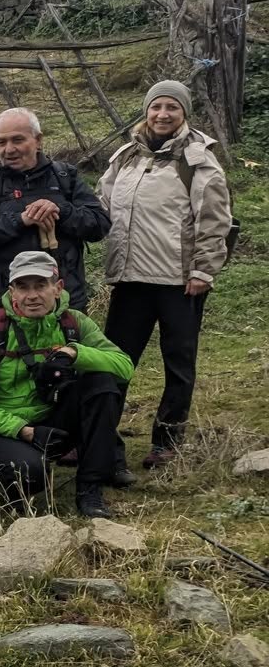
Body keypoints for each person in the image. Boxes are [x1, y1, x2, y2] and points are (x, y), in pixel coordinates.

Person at [98, 79, 232, 470]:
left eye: (172, 107)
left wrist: (203, 271)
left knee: (178, 361)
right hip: (131, 278)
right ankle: (98, 434)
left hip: (180, 281)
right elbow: (101, 205)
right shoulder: (125, 157)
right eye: (156, 107)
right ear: (146, 111)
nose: (162, 114)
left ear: (184, 113)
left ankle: (167, 440)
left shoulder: (197, 159)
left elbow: (215, 221)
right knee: (114, 360)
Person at [0, 250, 134, 520]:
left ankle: (90, 489)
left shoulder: (75, 322)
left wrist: (75, 353)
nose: (32, 295)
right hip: (7, 428)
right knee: (30, 475)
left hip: (57, 420)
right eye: (23, 287)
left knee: (102, 384)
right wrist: (22, 430)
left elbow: (124, 366)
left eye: (41, 285)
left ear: (57, 287)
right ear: (12, 291)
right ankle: (5, 472)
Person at [0, 107, 110, 313]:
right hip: (7, 304)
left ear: (38, 140)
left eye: (18, 140)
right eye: (1, 142)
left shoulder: (65, 177)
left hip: (65, 301)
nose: (9, 149)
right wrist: (20, 220)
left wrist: (61, 211)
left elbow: (99, 225)